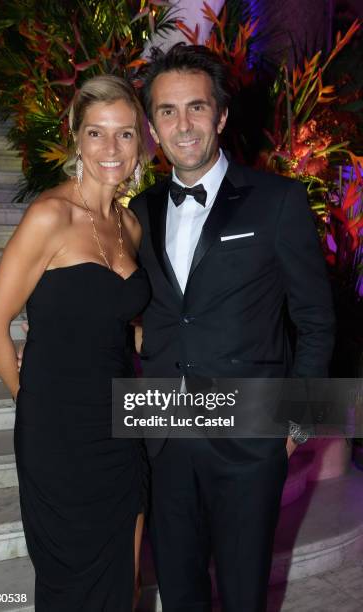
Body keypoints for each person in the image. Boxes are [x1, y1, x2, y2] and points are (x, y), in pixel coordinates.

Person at [128, 44, 336, 612]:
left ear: (220, 115)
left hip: (249, 431)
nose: (183, 124)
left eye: (196, 107)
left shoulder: (279, 202)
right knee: (179, 586)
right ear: (152, 127)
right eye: (167, 112)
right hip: (163, 430)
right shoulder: (138, 212)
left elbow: (315, 320)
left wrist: (297, 421)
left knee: (245, 592)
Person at [0, 75, 151, 611]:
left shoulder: (129, 225)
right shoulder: (49, 216)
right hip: (58, 435)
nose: (110, 149)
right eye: (96, 134)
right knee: (69, 582)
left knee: (124, 576)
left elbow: (126, 326)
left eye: (124, 134)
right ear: (75, 137)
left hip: (121, 428)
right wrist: (29, 400)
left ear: (140, 141)